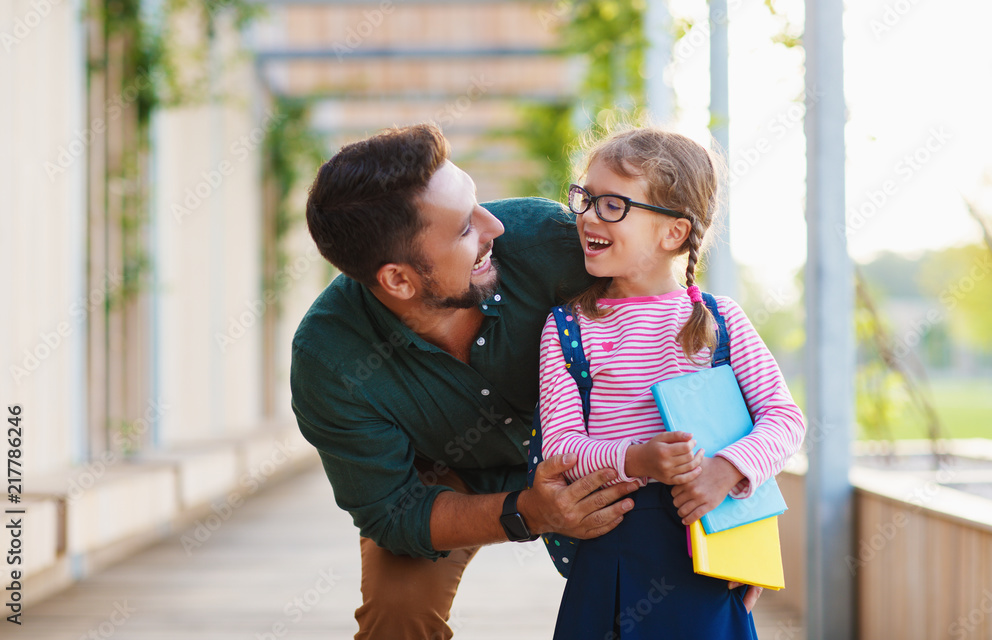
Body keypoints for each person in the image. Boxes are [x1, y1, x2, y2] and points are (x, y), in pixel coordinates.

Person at [290, 123, 647, 640]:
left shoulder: (548, 242)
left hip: (597, 452)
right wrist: (527, 511)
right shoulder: (329, 360)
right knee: (397, 614)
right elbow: (393, 513)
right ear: (399, 279)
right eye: (463, 229)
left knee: (660, 592)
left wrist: (736, 526)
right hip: (443, 479)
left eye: (477, 202)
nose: (493, 227)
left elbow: (683, 337)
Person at [537, 126, 805, 639]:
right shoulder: (568, 328)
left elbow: (786, 419)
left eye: (613, 204)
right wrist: (637, 460)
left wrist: (726, 471)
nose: (589, 215)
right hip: (612, 549)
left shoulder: (721, 320)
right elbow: (562, 446)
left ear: (674, 233)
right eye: (586, 199)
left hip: (710, 550)